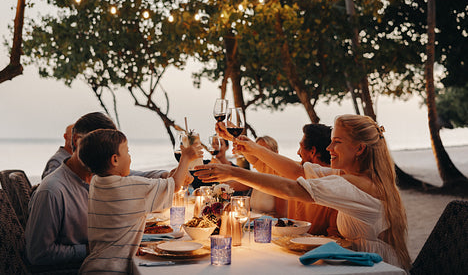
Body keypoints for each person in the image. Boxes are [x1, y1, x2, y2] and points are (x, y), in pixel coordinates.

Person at [198, 115, 411, 270]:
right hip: (354, 261)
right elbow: (297, 171)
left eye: (337, 142)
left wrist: (233, 172)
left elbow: (291, 188)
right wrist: (249, 146)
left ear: (360, 149)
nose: (329, 149)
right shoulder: (347, 175)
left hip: (377, 267)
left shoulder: (353, 185)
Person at [25, 112, 187, 266]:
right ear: (76, 141)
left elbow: (137, 176)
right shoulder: (52, 191)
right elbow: (39, 254)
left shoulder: (101, 177)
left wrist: (168, 176)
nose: (104, 152)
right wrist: (94, 249)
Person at [77, 129, 201, 274]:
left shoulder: (97, 182)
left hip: (95, 265)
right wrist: (185, 158)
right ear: (115, 159)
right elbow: (175, 185)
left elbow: (169, 183)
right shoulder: (128, 187)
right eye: (127, 152)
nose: (130, 157)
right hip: (113, 269)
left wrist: (177, 173)